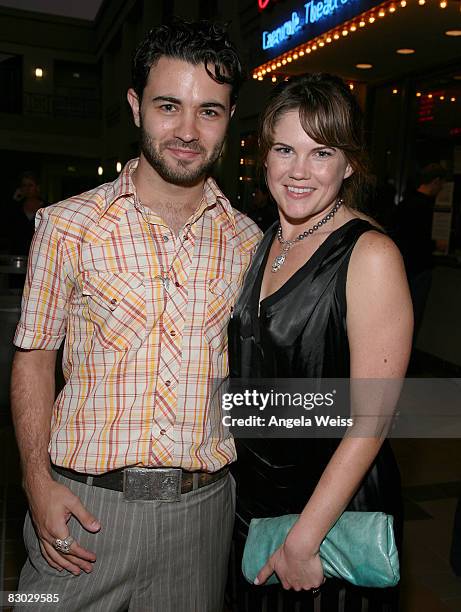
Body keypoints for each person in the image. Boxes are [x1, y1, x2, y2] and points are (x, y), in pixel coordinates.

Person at [11, 19, 260, 612]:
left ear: (229, 119)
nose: (187, 130)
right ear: (134, 106)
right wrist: (35, 481)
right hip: (83, 511)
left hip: (202, 517)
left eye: (210, 111)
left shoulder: (249, 242)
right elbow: (35, 359)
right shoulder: (67, 225)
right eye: (168, 106)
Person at [226, 74, 413, 611]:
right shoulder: (266, 241)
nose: (299, 171)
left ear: (348, 163)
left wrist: (304, 539)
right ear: (265, 157)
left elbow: (371, 421)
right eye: (285, 149)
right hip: (258, 507)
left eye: (321, 152)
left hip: (330, 517)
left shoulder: (370, 255)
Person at [393, 163, 446, 337]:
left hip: (401, 267)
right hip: (417, 269)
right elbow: (418, 241)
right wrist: (436, 245)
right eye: (442, 183)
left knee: (399, 317)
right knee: (413, 319)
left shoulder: (404, 204)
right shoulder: (425, 208)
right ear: (436, 182)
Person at [2, 171, 48, 255]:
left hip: (38, 255)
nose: (27, 189)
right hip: (17, 255)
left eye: (30, 185)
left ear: (37, 187)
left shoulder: (46, 209)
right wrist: (14, 200)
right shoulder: (15, 208)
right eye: (24, 185)